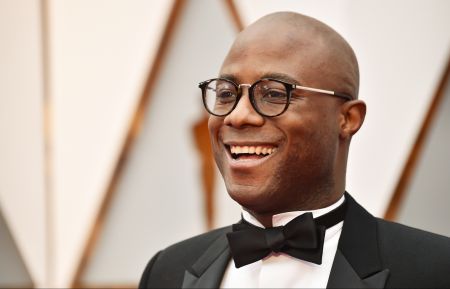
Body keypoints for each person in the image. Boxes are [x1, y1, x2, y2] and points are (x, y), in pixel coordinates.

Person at [139, 11, 450, 288]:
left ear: (347, 119)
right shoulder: (167, 271)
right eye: (226, 93)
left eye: (274, 94)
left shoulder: (434, 270)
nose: (238, 115)